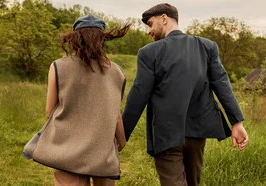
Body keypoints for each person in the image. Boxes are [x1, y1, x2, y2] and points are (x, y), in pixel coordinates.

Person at [122, 3, 249, 186]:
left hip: (166, 134)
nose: (149, 31)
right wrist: (237, 122)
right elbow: (221, 84)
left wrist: (122, 135)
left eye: (150, 24)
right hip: (198, 133)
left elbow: (138, 95)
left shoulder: (149, 52)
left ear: (164, 18)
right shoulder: (207, 47)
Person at [42, 14, 129, 186]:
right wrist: (122, 140)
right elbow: (115, 114)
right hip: (102, 148)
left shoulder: (57, 66)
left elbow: (49, 111)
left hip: (68, 148)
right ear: (102, 39)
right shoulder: (116, 71)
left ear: (75, 38)